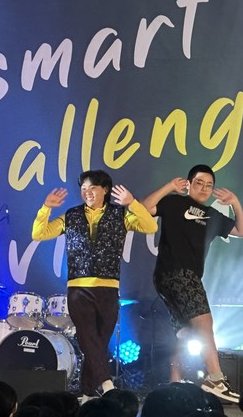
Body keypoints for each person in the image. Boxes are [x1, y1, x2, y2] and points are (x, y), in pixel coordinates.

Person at [32, 170, 158, 401]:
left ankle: (87, 394)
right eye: (83, 189)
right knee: (87, 336)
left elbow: (150, 227)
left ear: (105, 190)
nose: (87, 193)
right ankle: (107, 384)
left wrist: (132, 203)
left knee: (97, 343)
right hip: (78, 287)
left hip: (108, 288)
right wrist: (46, 207)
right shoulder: (71, 215)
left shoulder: (120, 215)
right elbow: (39, 233)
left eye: (92, 188)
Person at [142, 164, 243, 403]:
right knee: (204, 322)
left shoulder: (213, 215)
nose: (204, 188)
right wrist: (170, 186)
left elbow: (242, 231)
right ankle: (215, 379)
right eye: (199, 183)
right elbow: (144, 208)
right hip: (176, 272)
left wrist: (235, 202)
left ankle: (174, 384)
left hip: (180, 277)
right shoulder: (174, 203)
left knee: (186, 334)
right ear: (189, 183)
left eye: (209, 185)